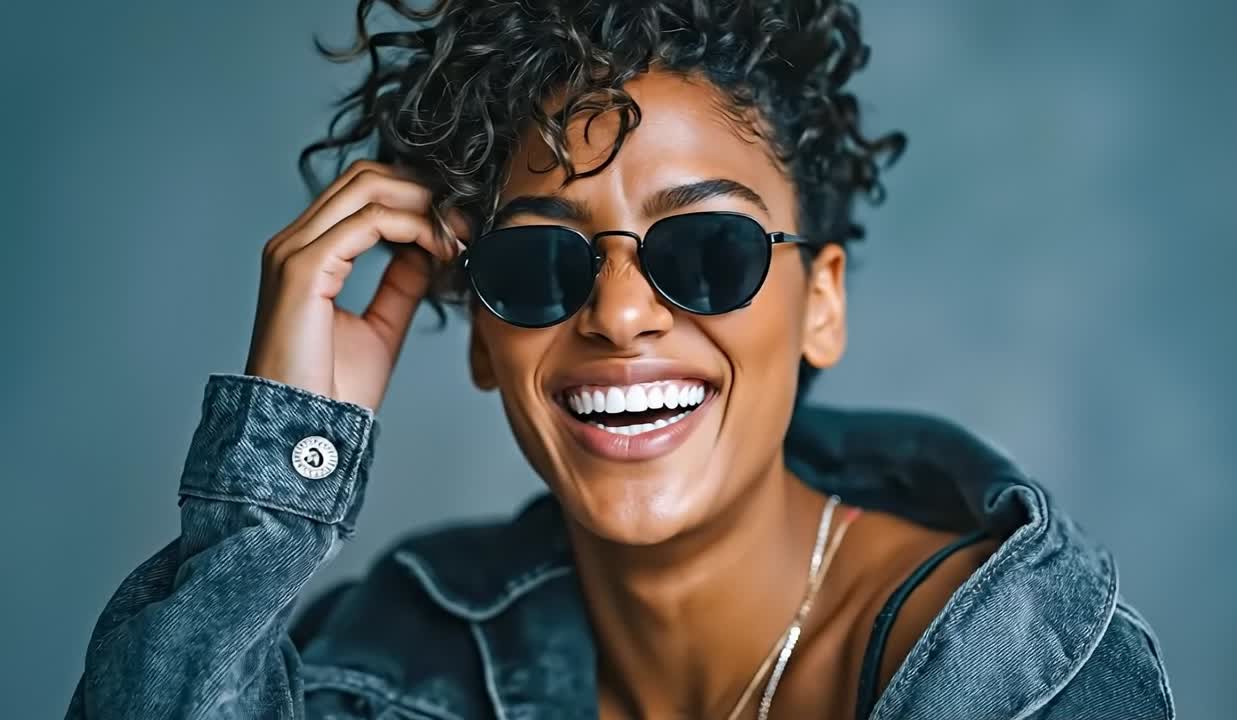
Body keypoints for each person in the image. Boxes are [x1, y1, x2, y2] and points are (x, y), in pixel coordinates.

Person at [66, 1, 1176, 718]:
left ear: (818, 305)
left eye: (706, 247)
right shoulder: (389, 661)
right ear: (486, 347)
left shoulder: (1024, 675)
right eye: (539, 261)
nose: (617, 311)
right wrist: (276, 481)